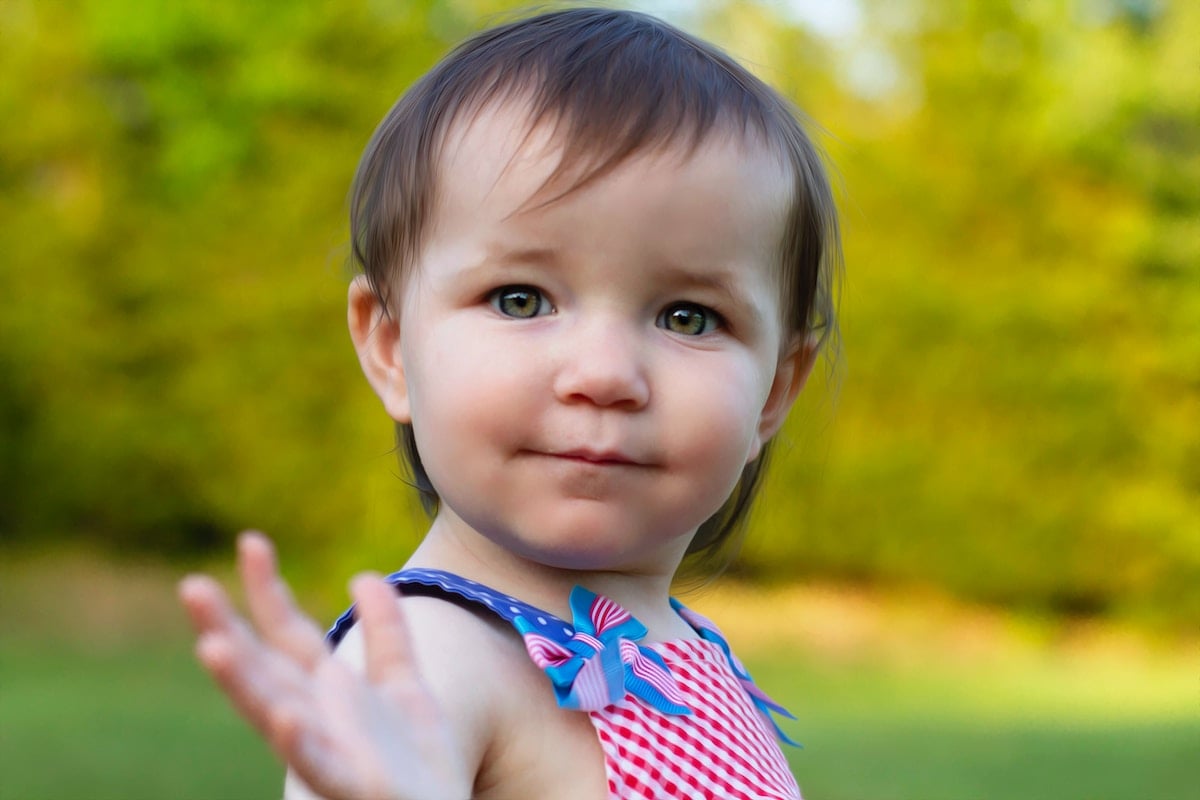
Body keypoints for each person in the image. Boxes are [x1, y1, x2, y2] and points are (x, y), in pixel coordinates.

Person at [179, 7, 840, 799]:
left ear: (774, 389)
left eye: (687, 317)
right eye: (521, 299)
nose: (602, 374)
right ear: (390, 346)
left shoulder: (684, 651)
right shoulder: (431, 656)